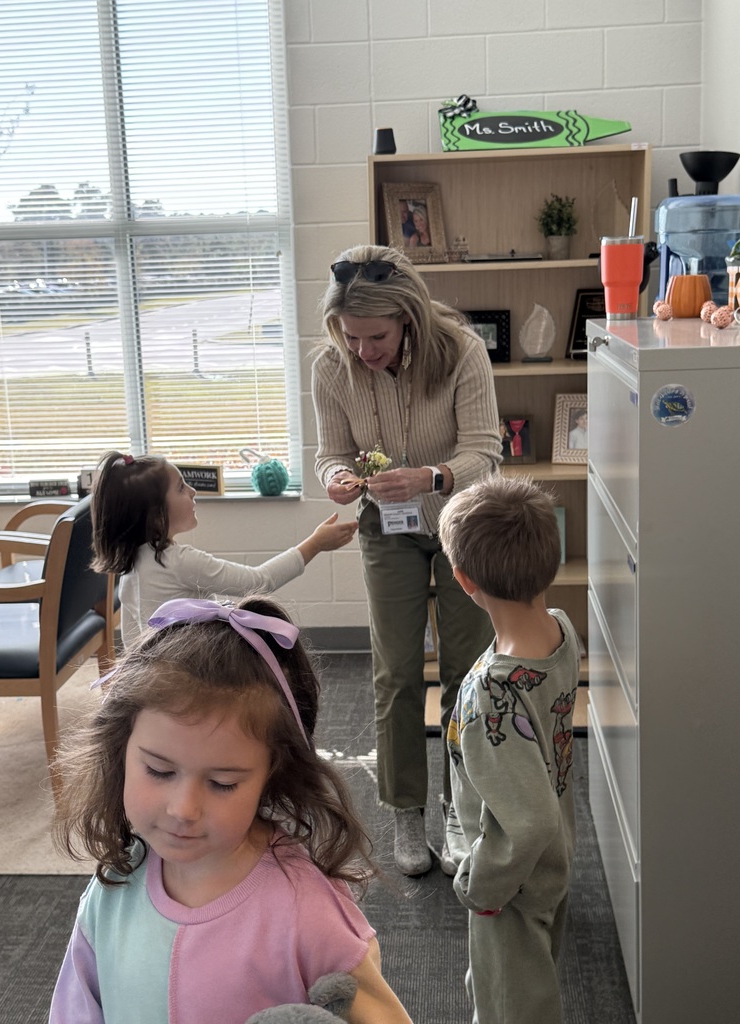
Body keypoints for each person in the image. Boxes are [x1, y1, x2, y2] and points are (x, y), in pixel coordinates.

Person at [49, 595, 413, 1024]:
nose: (184, 809)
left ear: (272, 775)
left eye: (222, 783)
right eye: (159, 771)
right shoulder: (114, 886)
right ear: (120, 751)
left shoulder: (307, 910)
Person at [312, 244, 501, 877]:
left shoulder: (462, 352)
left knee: (465, 671)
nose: (363, 350)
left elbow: (486, 451)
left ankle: (461, 808)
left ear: (408, 318)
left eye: (377, 337)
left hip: (461, 523)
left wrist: (431, 476)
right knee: (395, 674)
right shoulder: (330, 367)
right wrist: (337, 477)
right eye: (351, 336)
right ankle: (405, 810)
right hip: (386, 529)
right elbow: (331, 452)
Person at [437, 475, 581, 1024]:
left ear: (463, 579)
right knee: (520, 986)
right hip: (552, 861)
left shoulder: (492, 693)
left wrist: (481, 886)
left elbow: (529, 821)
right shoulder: (560, 630)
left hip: (511, 884)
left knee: (509, 1007)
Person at [90, 451, 357, 646]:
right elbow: (258, 581)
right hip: (191, 673)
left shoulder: (131, 567)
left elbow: (133, 644)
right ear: (156, 516)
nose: (193, 491)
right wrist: (315, 544)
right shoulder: (178, 562)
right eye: (181, 488)